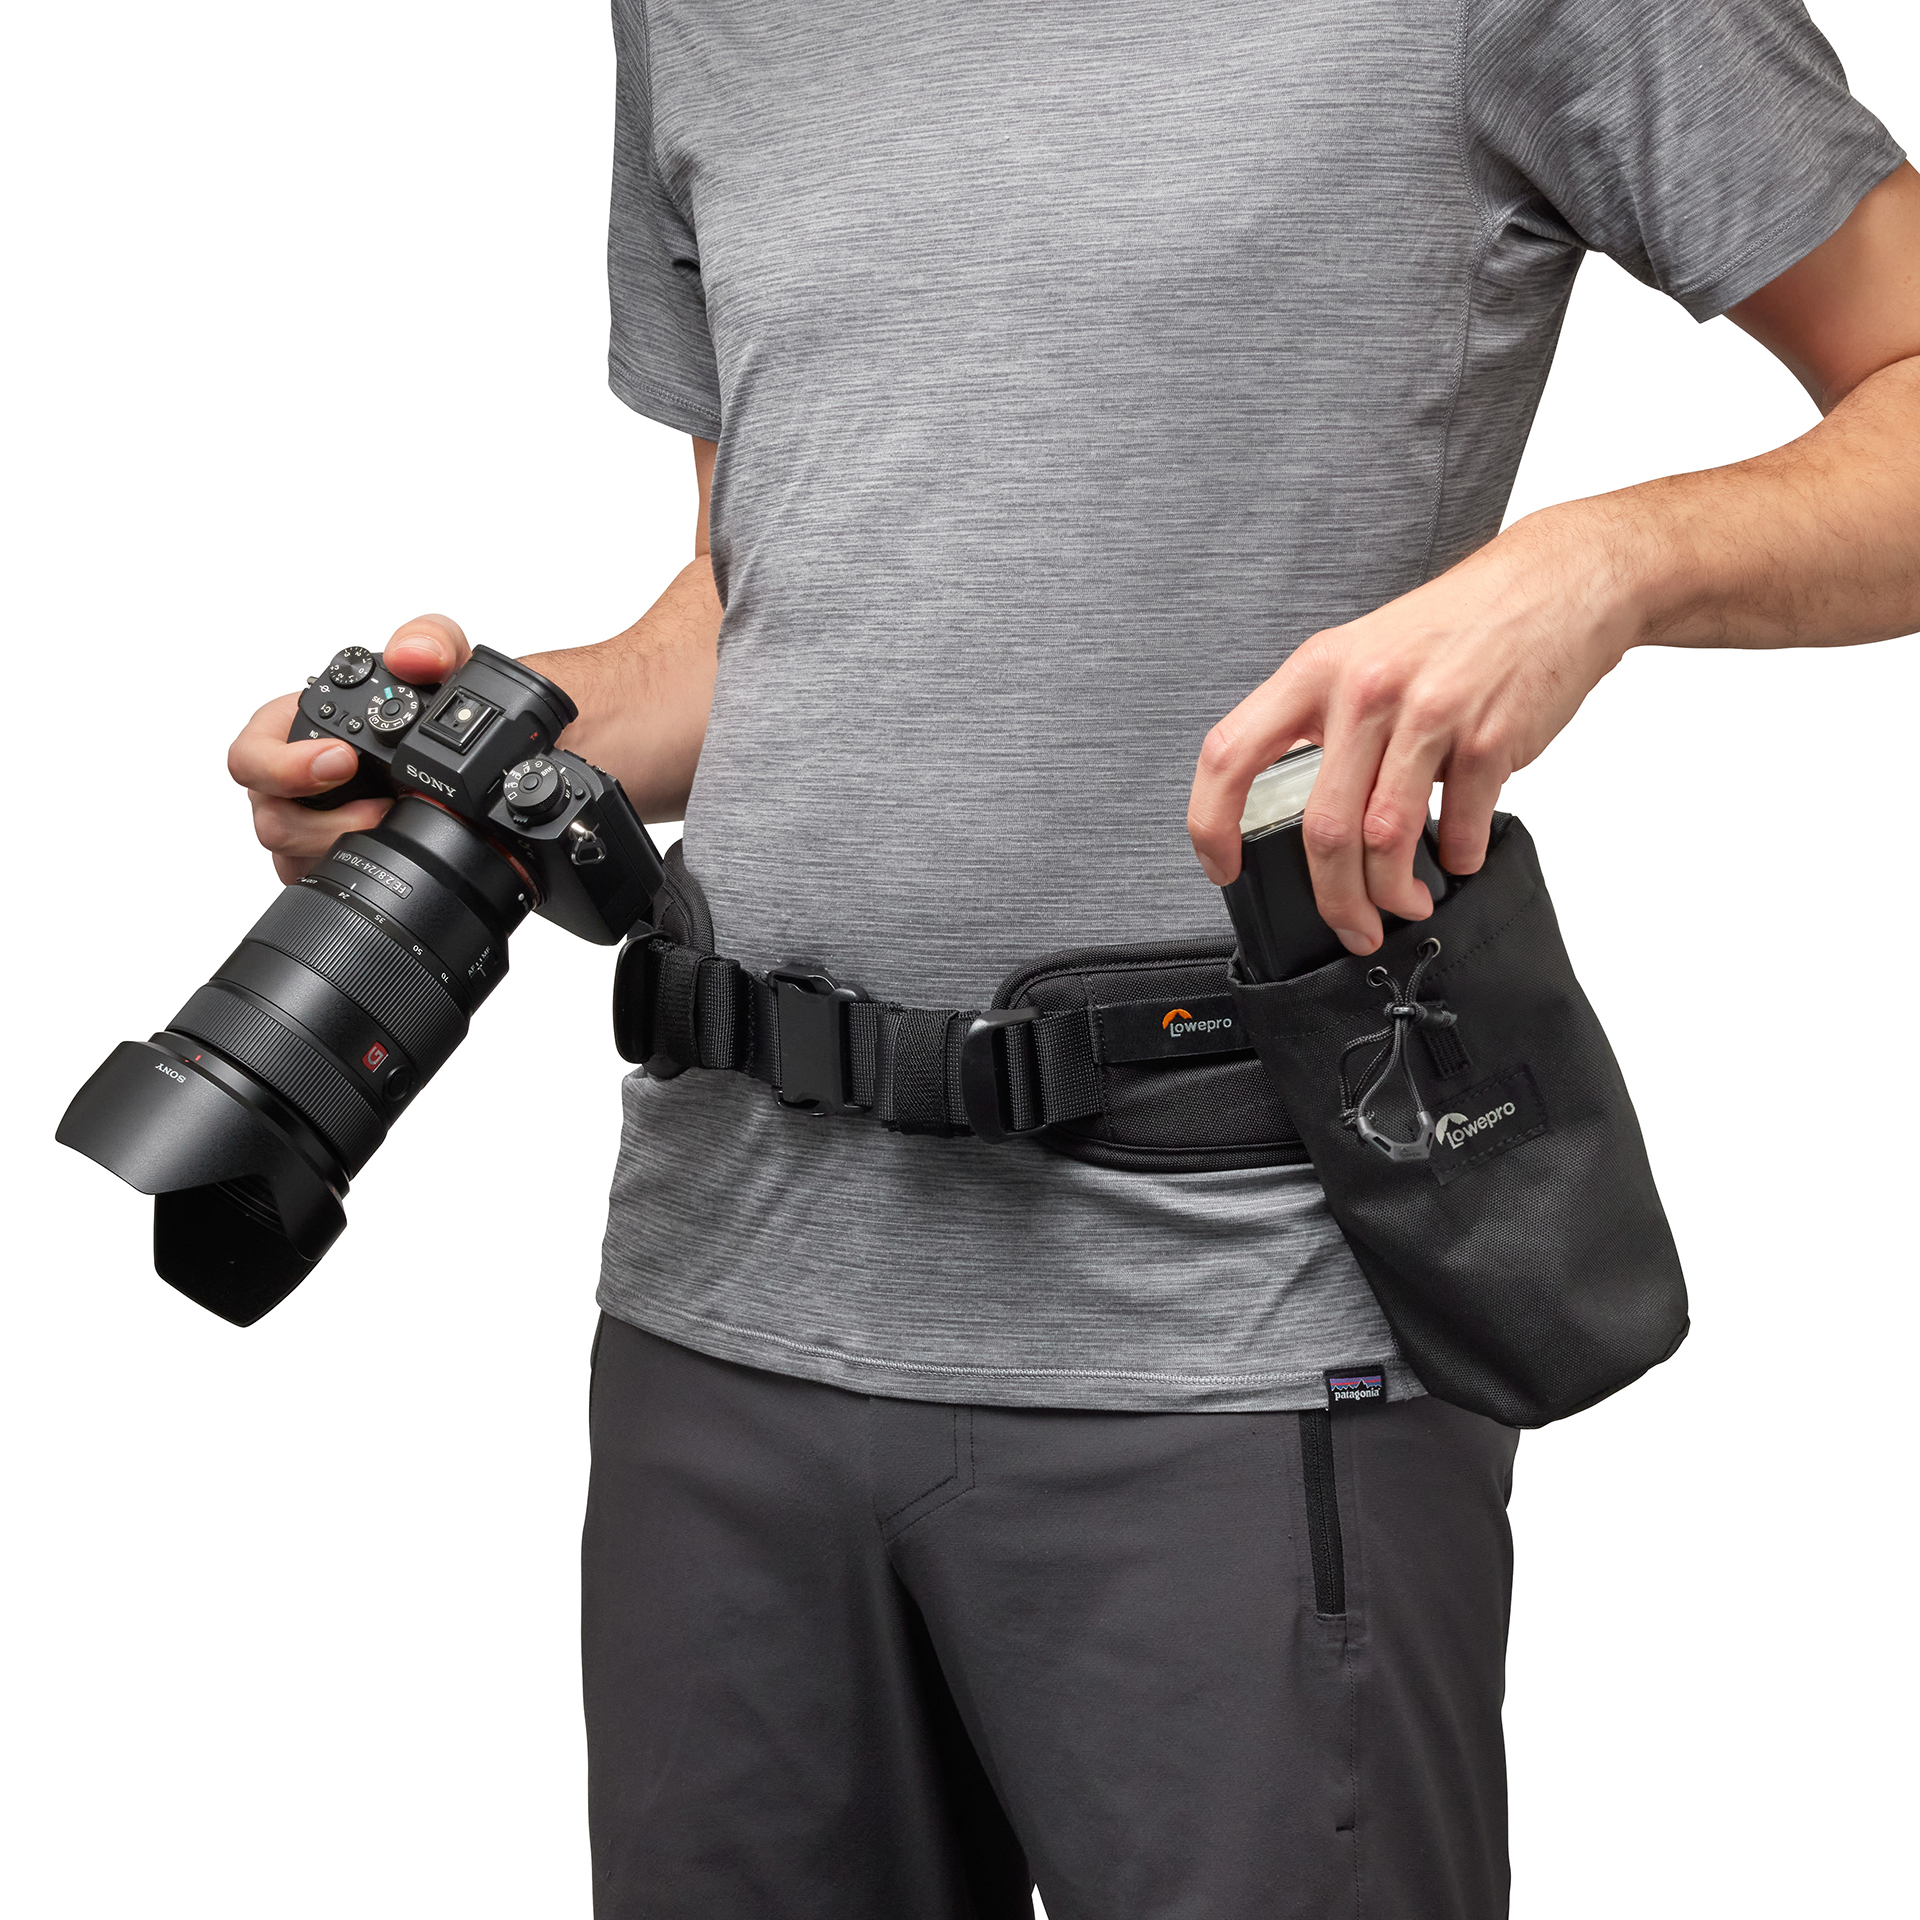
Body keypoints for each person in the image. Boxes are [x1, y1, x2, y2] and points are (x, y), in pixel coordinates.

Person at [226, 2, 1920, 1913]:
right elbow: (762, 601)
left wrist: (1594, 567)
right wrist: (480, 766)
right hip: (726, 1320)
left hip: (1230, 1330)